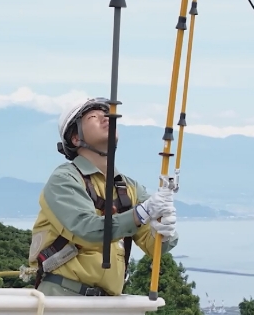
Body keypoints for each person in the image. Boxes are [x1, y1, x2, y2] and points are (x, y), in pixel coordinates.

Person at [28, 97, 178, 296]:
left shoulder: (128, 187)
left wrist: (165, 230)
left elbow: (156, 247)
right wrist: (141, 213)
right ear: (75, 138)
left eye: (108, 115)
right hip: (62, 295)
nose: (107, 118)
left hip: (106, 305)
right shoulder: (64, 179)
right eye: (94, 116)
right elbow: (86, 229)